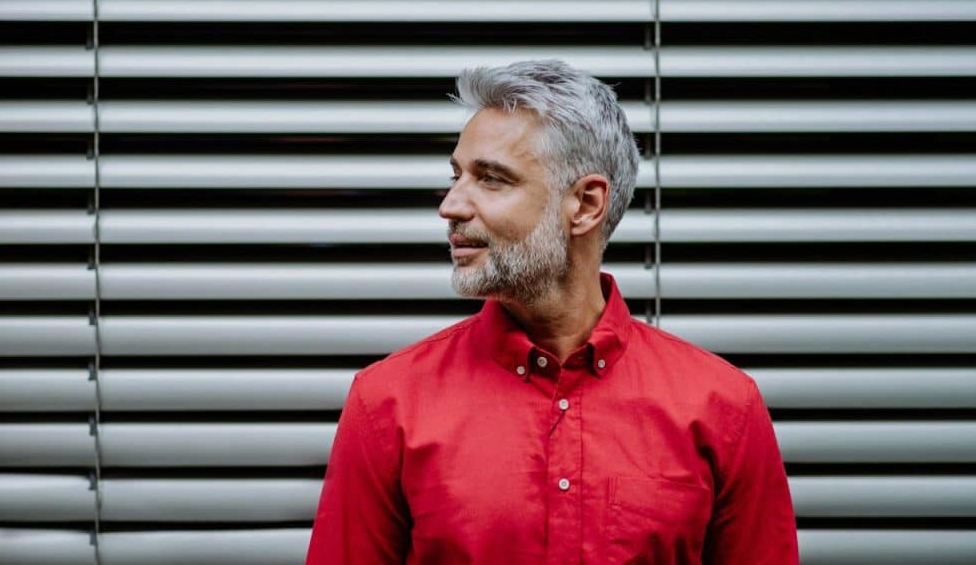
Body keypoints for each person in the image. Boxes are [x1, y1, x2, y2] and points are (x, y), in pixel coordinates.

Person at [306, 59, 798, 564]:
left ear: (585, 204)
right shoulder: (387, 404)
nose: (450, 206)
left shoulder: (723, 408)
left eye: (491, 179)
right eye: (456, 176)